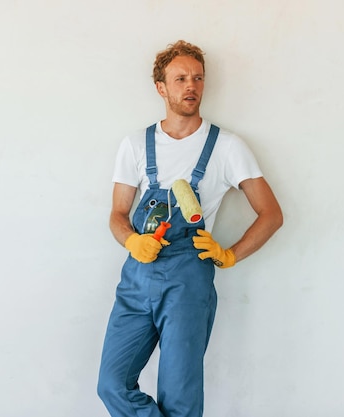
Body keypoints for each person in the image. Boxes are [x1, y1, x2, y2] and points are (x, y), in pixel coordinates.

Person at [97, 40, 283, 417]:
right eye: (180, 78)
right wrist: (133, 240)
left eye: (198, 77)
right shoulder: (135, 145)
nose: (191, 86)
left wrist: (230, 254)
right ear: (161, 87)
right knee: (112, 385)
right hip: (137, 279)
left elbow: (271, 214)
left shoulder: (227, 147)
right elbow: (117, 214)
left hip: (188, 281)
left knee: (180, 398)